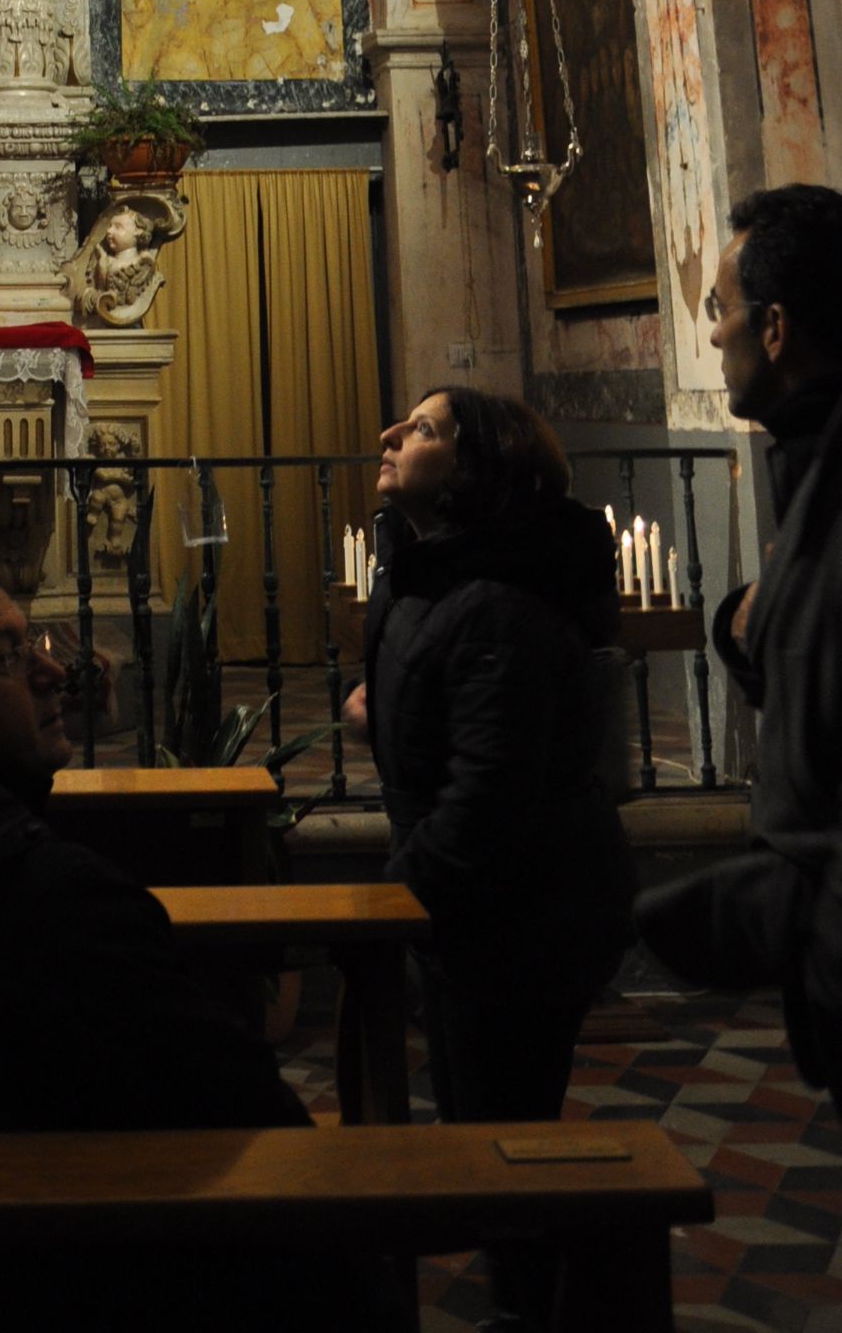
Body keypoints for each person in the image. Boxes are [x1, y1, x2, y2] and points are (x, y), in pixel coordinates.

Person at [0, 555, 379, 1333]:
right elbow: (245, 1108)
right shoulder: (54, 897)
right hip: (89, 1278)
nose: (54, 673)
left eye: (34, 645)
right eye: (7, 658)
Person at [353, 387, 632, 1321]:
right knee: (480, 1122)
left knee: (505, 1134)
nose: (393, 436)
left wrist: (386, 904)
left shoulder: (501, 605)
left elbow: (490, 801)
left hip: (521, 909)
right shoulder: (431, 570)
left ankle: (533, 1308)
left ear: (474, 473)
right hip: (471, 901)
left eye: (424, 430)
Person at [637, 187, 842, 1103]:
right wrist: (747, 625)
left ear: (775, 329)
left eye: (721, 310)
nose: (711, 333)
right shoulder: (812, 452)